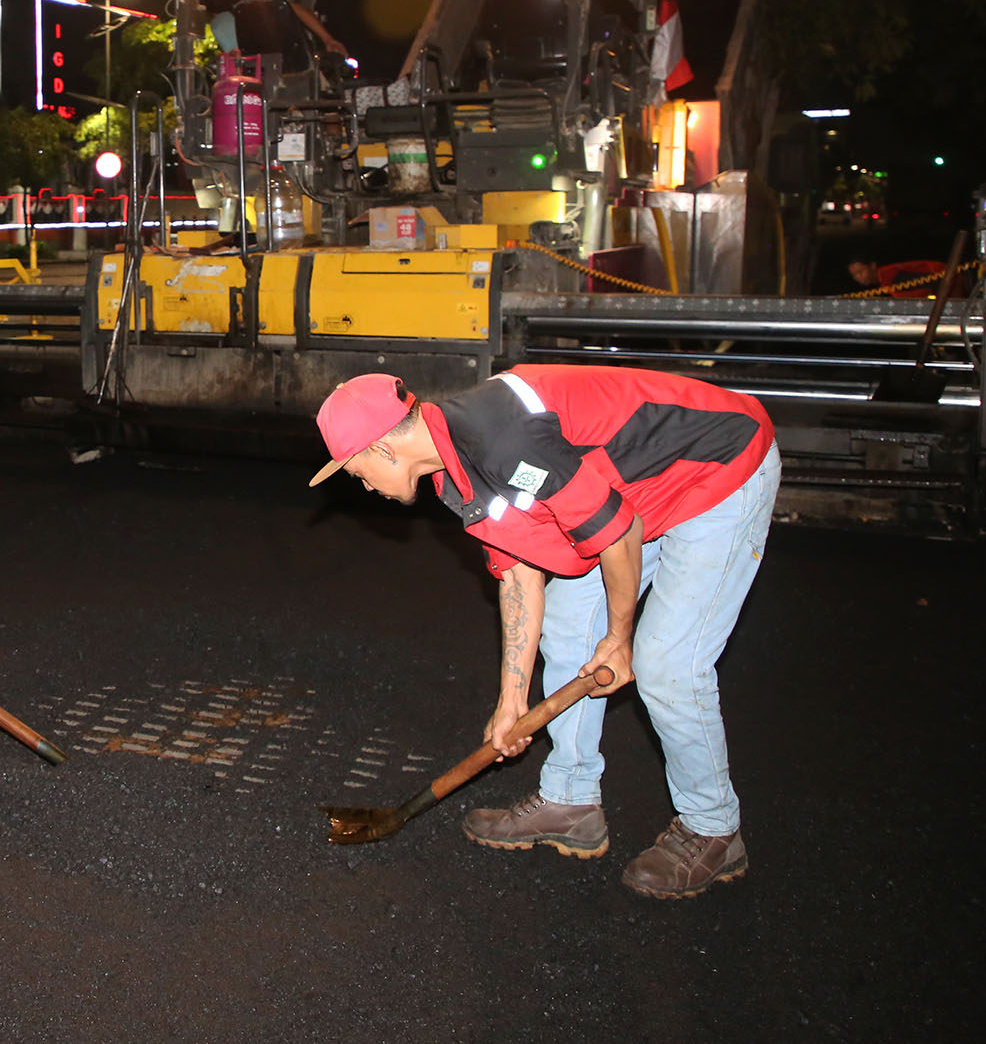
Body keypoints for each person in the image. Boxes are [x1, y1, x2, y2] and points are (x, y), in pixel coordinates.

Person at [308, 365, 780, 899]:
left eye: (357, 472)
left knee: (666, 665)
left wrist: (618, 639)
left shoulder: (503, 438)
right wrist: (511, 702)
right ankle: (571, 800)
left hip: (717, 467)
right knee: (567, 622)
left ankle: (713, 827)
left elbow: (617, 529)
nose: (363, 485)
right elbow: (518, 578)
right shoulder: (453, 472)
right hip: (636, 492)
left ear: (383, 450)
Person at [847, 257, 949, 298]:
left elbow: (932, 284)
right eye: (854, 275)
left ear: (872, 266)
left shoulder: (891, 276)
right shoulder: (883, 282)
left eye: (860, 272)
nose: (858, 277)